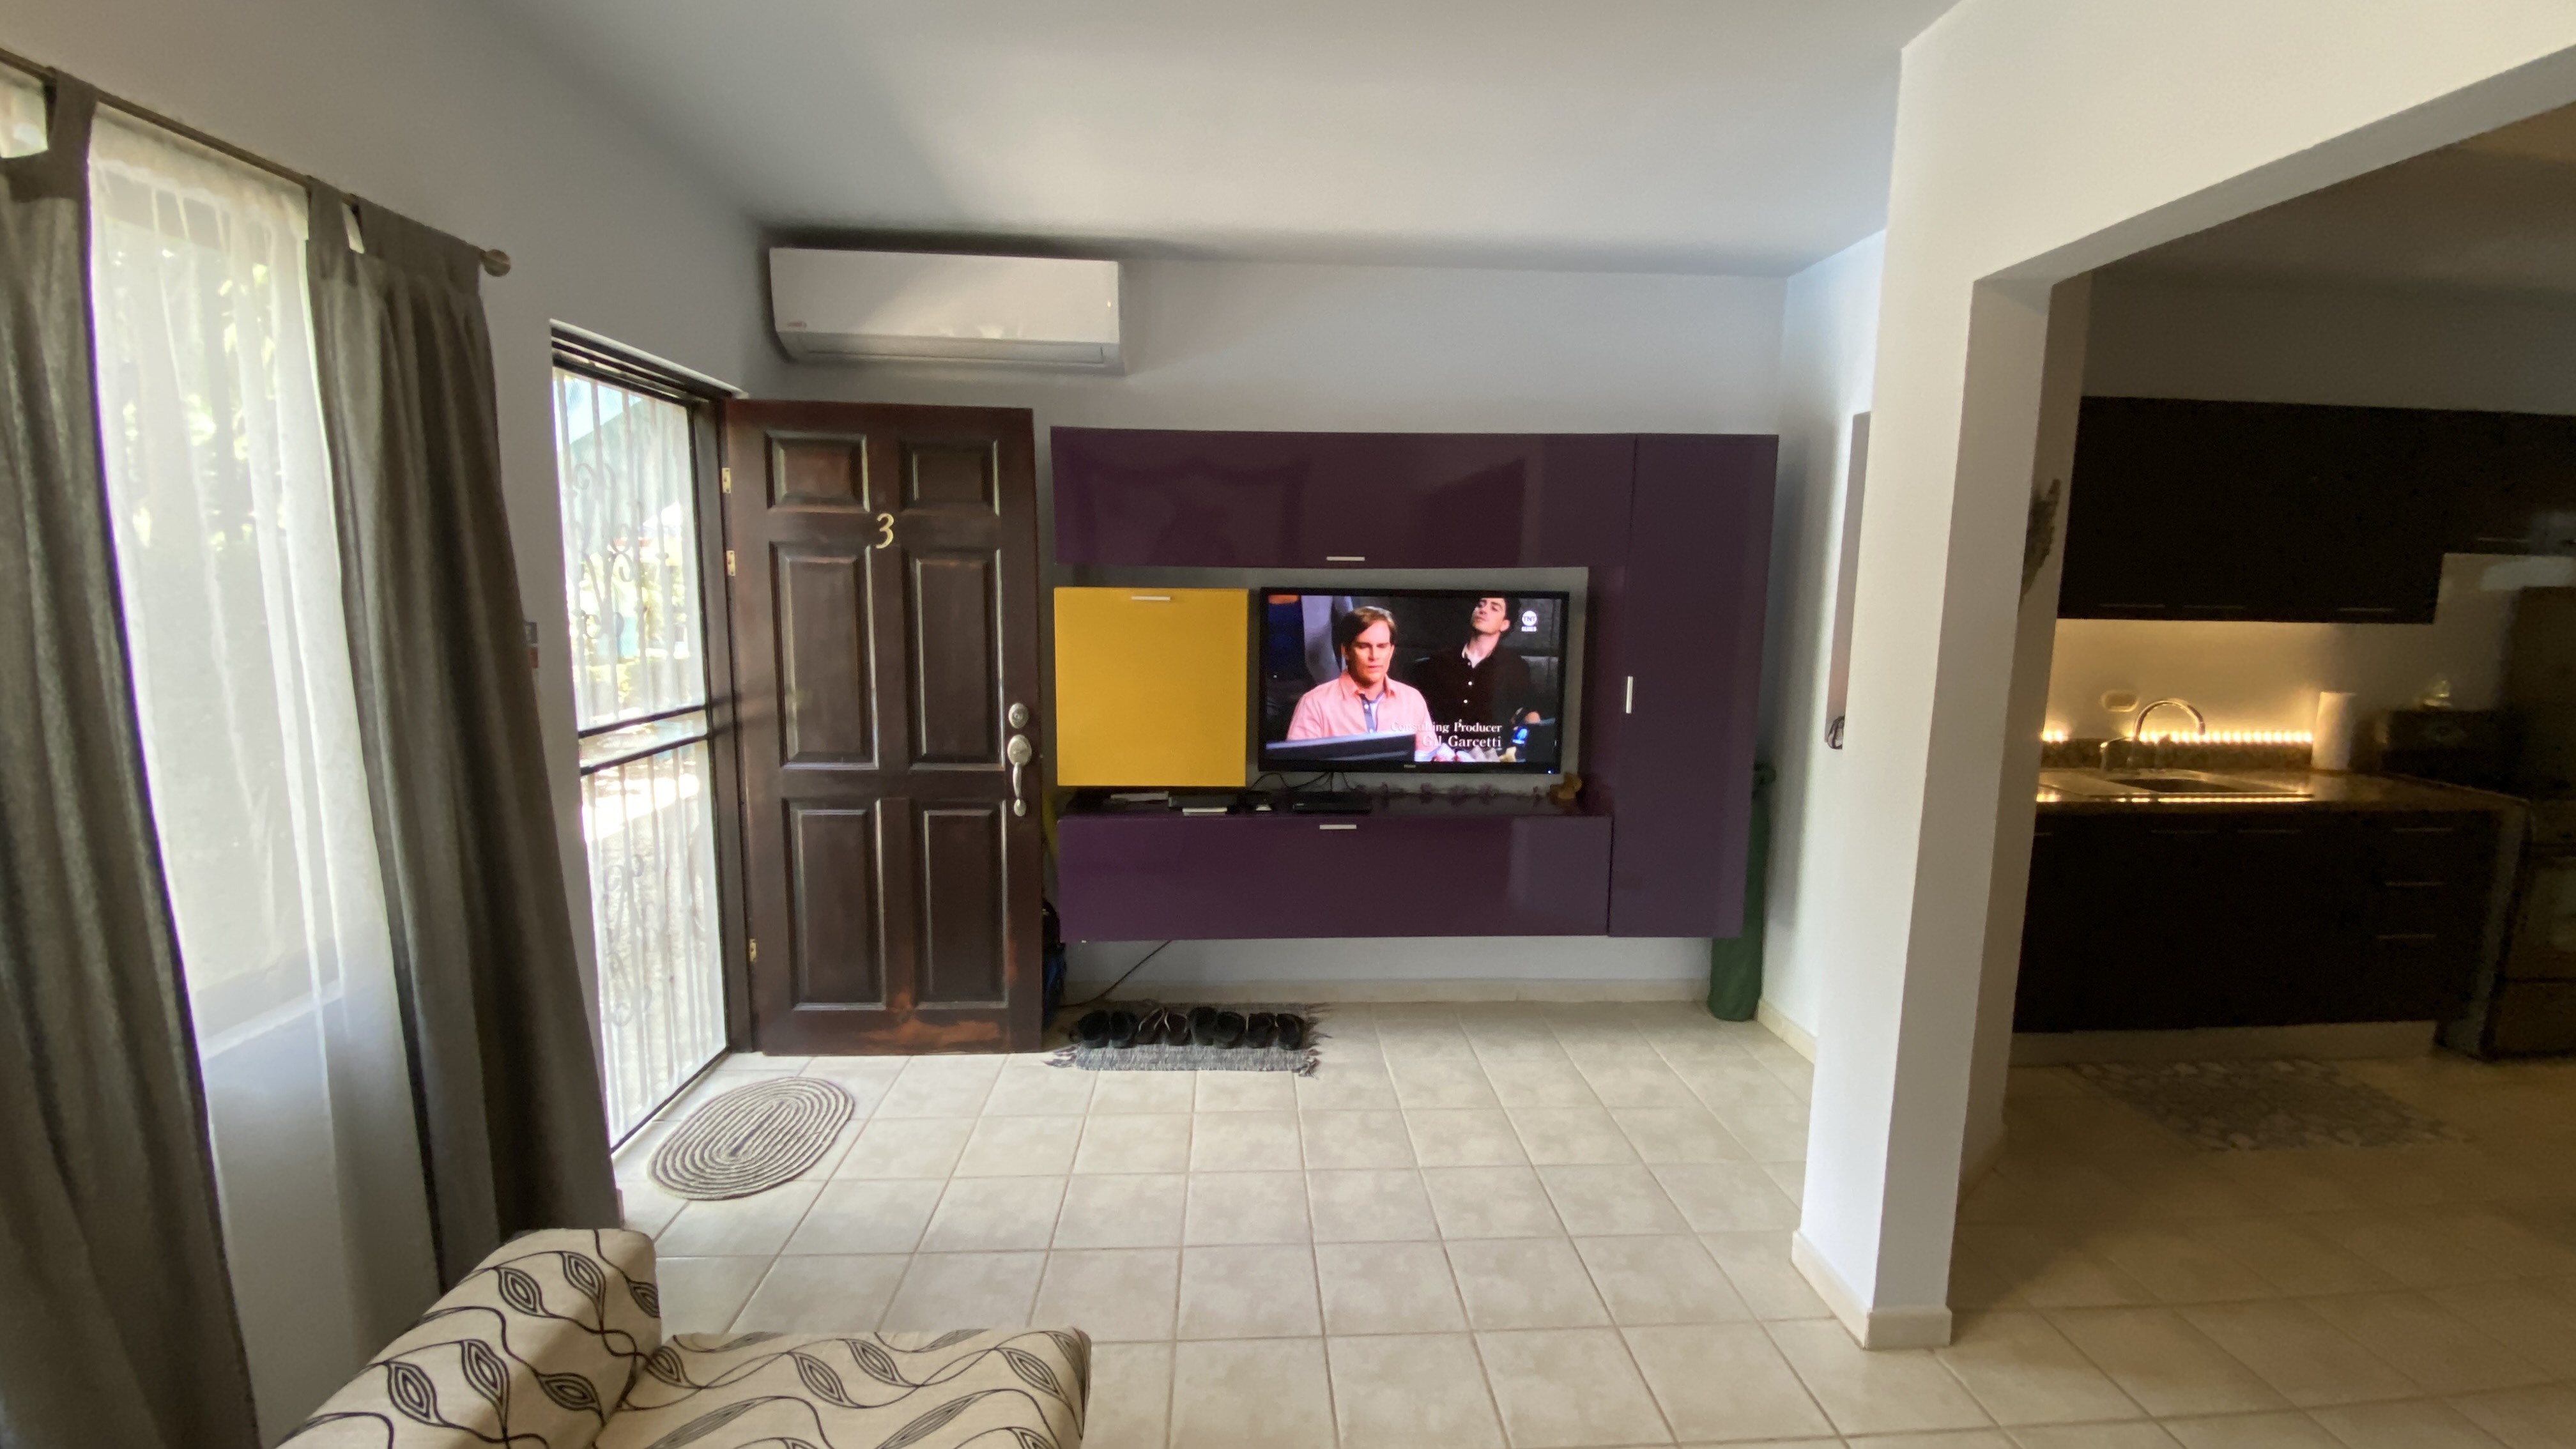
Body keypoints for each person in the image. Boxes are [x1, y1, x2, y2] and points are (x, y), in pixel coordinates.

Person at [1284, 605, 1449, 761]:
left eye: (1382, 646)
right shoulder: (1314, 703)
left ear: (1391, 651)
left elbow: (1428, 759)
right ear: (1346, 651)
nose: (1374, 656)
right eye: (1364, 646)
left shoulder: (1413, 699)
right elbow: (1299, 770)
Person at [1413, 594, 1537, 760]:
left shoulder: (1515, 667)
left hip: (1488, 760)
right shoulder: (1439, 661)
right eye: (1481, 605)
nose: (1483, 610)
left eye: (1494, 608)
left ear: (1505, 624)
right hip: (1438, 757)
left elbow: (1531, 711)